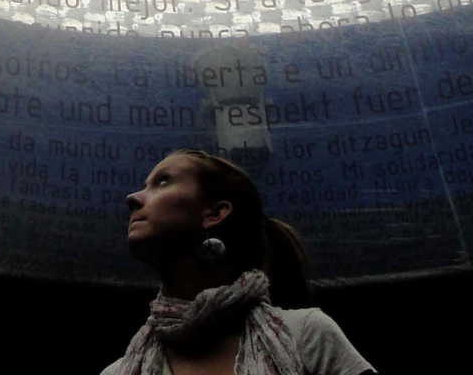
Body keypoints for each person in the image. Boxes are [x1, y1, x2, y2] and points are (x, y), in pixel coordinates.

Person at [101, 150, 374, 375]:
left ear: (216, 213)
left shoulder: (307, 336)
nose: (132, 197)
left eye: (163, 181)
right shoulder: (120, 372)